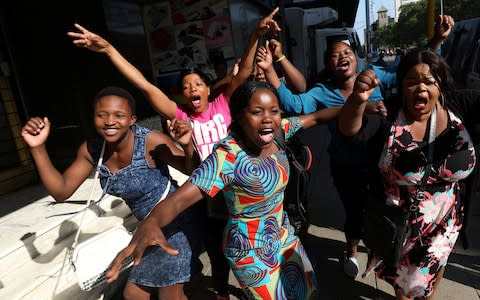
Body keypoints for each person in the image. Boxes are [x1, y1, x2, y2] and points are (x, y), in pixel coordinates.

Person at [68, 8, 282, 300]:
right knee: (217, 252)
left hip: (237, 192)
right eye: (185, 86)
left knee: (243, 245)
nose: (192, 88)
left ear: (208, 89)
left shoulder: (224, 105)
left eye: (197, 84)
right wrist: (108, 50)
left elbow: (243, 71)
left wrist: (256, 35)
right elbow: (143, 86)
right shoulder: (180, 117)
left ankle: (252, 285)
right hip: (204, 196)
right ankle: (221, 292)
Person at [256, 15, 455, 279]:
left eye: (347, 52)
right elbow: (294, 104)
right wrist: (271, 69)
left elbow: (409, 70)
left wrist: (437, 41)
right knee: (352, 210)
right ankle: (351, 251)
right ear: (329, 64)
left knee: (381, 209)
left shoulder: (372, 75)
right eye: (335, 55)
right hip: (346, 164)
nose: (342, 57)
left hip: (382, 163)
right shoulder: (321, 92)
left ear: (355, 57)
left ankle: (383, 248)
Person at [105, 80, 344, 299]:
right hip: (250, 250)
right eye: (257, 112)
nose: (268, 118)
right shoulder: (227, 157)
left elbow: (316, 117)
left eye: (274, 110)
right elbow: (179, 200)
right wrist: (152, 223)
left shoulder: (278, 131)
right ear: (239, 117)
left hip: (284, 237)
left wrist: (357, 104)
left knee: (307, 293)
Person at [21, 86, 203, 300]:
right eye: (102, 115)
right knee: (134, 295)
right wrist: (37, 147)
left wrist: (187, 145)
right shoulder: (92, 150)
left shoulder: (149, 140)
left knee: (167, 295)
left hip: (177, 221)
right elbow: (61, 191)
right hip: (146, 229)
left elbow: (194, 173)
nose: (109, 121)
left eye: (119, 115)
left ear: (133, 119)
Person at [337, 49, 480, 299]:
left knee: (431, 275)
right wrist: (358, 99)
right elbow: (349, 129)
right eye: (412, 82)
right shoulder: (387, 113)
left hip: (447, 220)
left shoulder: (460, 106)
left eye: (429, 82)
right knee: (406, 286)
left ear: (441, 84)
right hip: (401, 222)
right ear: (401, 85)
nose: (421, 89)